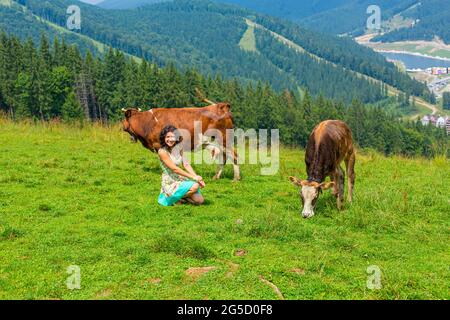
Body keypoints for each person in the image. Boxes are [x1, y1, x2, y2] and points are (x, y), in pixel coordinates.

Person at [157, 125, 205, 206]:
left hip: (180, 178)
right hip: (170, 180)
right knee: (195, 186)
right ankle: (170, 198)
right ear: (164, 138)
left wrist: (197, 177)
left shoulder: (179, 148)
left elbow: (186, 164)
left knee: (200, 200)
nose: (170, 139)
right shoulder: (162, 152)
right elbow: (174, 169)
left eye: (173, 136)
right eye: (167, 137)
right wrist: (193, 178)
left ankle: (180, 198)